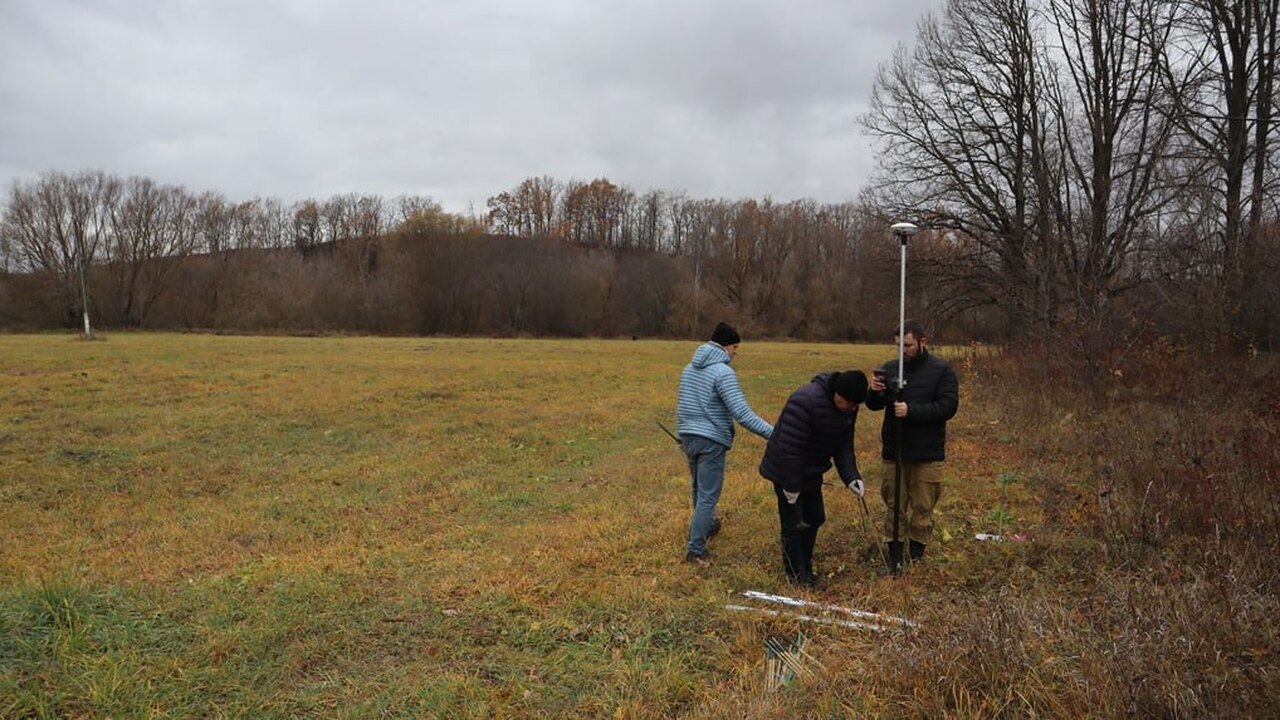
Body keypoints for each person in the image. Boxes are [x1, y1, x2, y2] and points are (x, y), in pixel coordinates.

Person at [676, 321, 774, 564]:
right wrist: (775, 433)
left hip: (688, 437)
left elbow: (682, 405)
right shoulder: (723, 372)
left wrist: (683, 436)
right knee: (708, 495)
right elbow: (742, 413)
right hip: (710, 441)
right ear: (725, 346)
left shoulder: (689, 368)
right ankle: (696, 550)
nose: (736, 352)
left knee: (698, 488)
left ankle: (705, 526)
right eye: (735, 346)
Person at [758, 371, 868, 587]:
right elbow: (790, 449)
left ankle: (805, 564)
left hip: (811, 470)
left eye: (855, 405)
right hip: (785, 470)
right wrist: (791, 486)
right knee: (794, 524)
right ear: (837, 394)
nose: (851, 409)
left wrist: (851, 477)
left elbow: (844, 444)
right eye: (848, 403)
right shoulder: (805, 402)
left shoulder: (849, 408)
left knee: (815, 517)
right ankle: (797, 576)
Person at [866, 319, 959, 570]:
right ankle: (894, 554)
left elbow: (948, 407)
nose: (902, 351)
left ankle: (915, 556)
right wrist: (874, 391)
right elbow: (874, 405)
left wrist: (911, 411)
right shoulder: (890, 368)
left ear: (922, 342)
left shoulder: (941, 371)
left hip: (927, 452)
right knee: (894, 505)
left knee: (923, 505)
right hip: (894, 450)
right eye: (898, 346)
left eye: (907, 345)